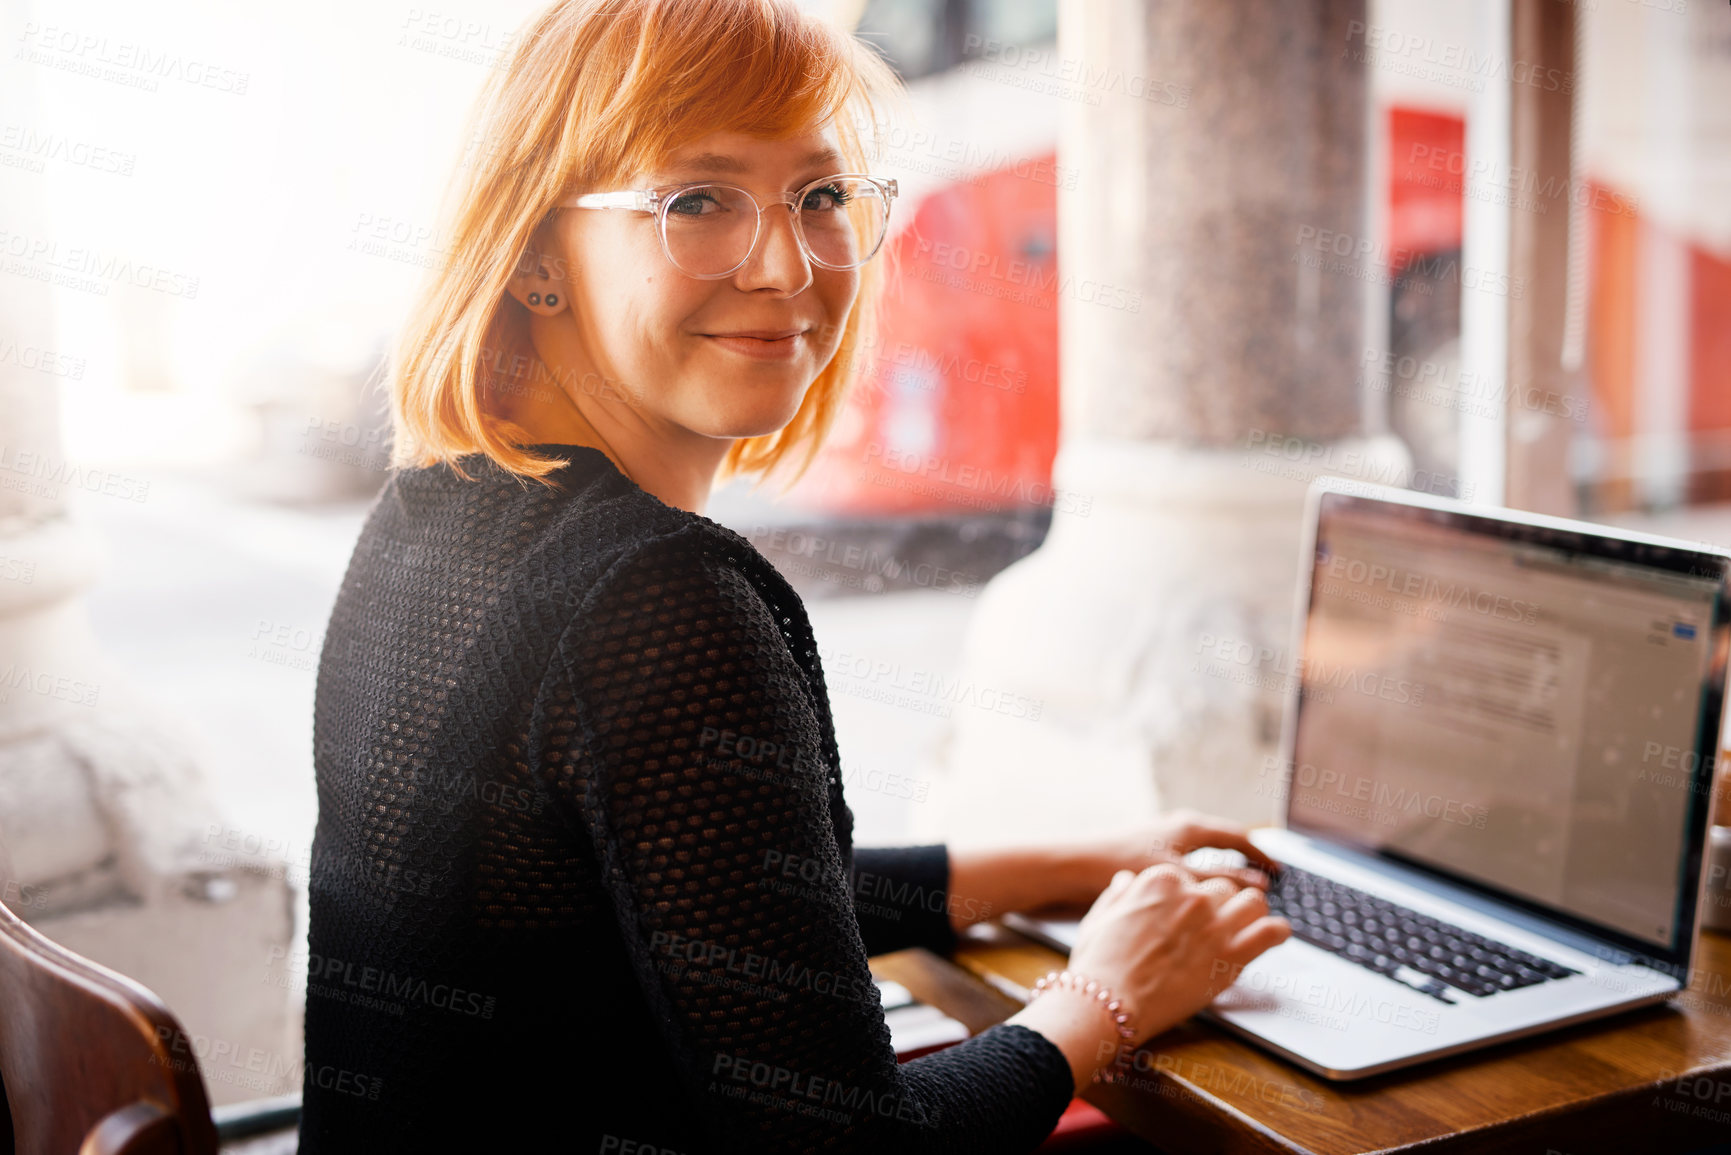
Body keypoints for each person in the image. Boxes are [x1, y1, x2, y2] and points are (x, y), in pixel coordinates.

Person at [297, 0, 1290, 1150]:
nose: (786, 265)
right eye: (698, 202)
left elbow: (712, 893)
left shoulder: (436, 509)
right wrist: (1104, 999)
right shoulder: (655, 595)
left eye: (820, 197)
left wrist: (1070, 864)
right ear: (536, 258)